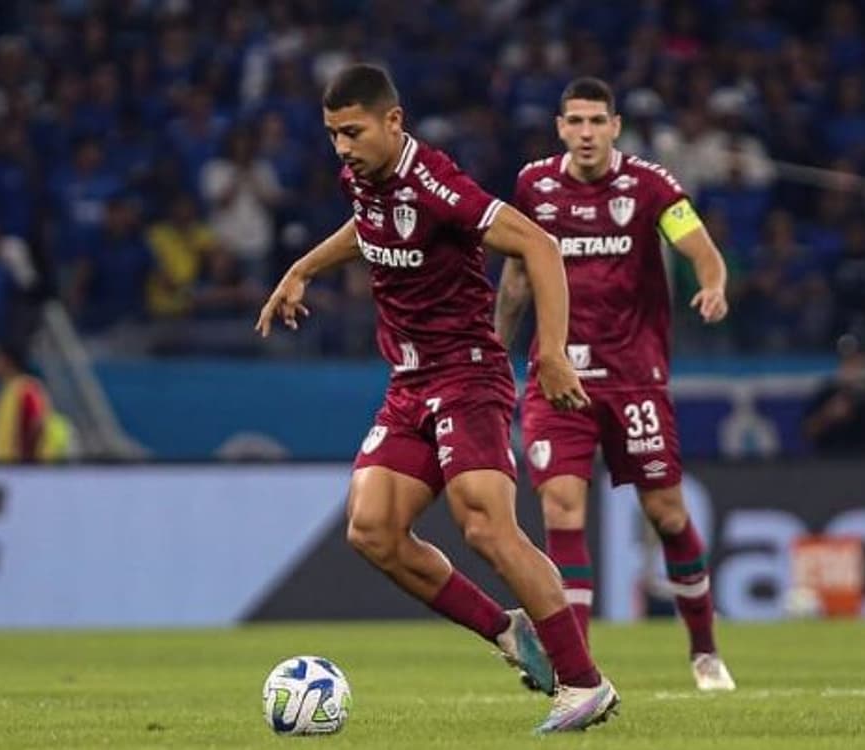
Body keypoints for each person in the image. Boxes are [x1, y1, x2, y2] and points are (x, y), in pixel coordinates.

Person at [254, 64, 618, 733]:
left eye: (354, 132)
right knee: (372, 529)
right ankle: (506, 632)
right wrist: (302, 268)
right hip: (409, 384)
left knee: (484, 523)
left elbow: (538, 246)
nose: (342, 147)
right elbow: (368, 228)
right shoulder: (363, 176)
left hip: (468, 376)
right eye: (334, 134)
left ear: (394, 122)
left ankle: (584, 682)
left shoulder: (438, 186)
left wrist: (552, 350)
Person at [494, 77, 737, 692]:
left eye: (596, 122)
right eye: (574, 121)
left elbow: (699, 247)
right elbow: (518, 277)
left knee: (667, 513)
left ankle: (704, 651)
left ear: (616, 126)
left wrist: (712, 283)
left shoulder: (651, 186)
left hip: (635, 380)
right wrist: (496, 347)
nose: (585, 133)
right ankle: (578, 669)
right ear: (559, 128)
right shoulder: (533, 186)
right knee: (561, 508)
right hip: (557, 373)